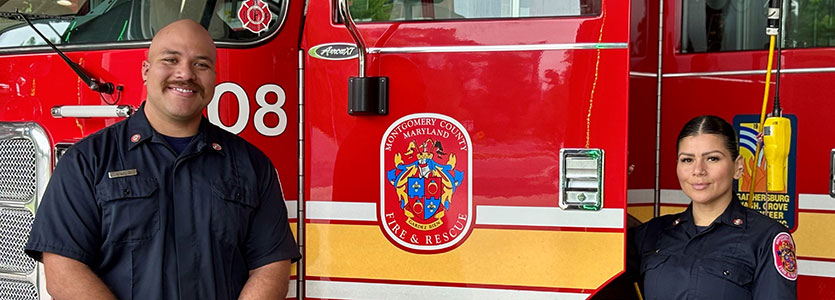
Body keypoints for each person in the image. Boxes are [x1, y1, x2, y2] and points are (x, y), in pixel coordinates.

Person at [24, 19, 301, 299]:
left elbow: (270, 266)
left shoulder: (252, 165)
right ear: (146, 71)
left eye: (201, 64)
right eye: (170, 59)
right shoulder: (87, 161)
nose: (185, 74)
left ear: (214, 78)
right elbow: (63, 269)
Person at [628, 115, 797, 299]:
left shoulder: (766, 237)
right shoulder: (652, 233)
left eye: (712, 159)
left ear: (738, 166)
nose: (698, 170)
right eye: (687, 160)